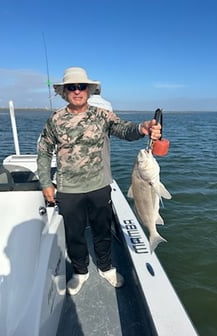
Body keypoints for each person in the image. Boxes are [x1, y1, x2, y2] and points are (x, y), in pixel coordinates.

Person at [37, 67, 161, 295]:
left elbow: (125, 130)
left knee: (102, 231)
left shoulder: (102, 115)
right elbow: (44, 151)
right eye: (71, 87)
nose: (76, 91)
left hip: (99, 186)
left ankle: (106, 268)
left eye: (81, 86)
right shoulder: (55, 120)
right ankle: (80, 271)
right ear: (64, 92)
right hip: (68, 189)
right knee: (74, 234)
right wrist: (46, 182)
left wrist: (143, 128)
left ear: (89, 90)